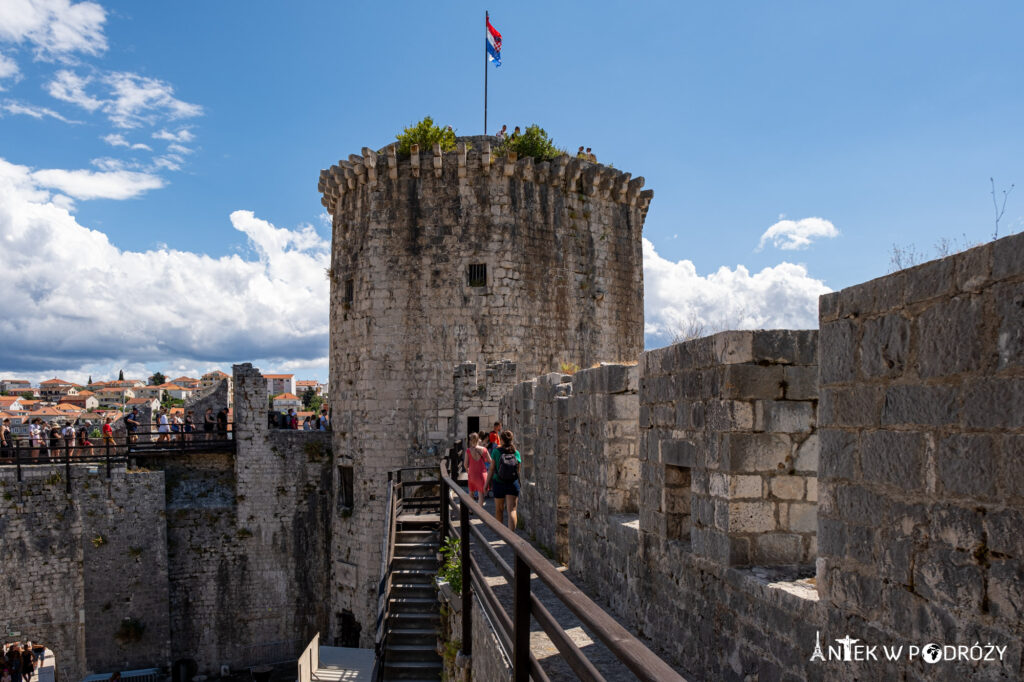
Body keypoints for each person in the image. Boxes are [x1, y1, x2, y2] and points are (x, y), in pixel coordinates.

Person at [485, 430, 521, 531]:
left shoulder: (496, 451)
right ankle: (512, 536)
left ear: (501, 440)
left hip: (499, 483)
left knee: (499, 510)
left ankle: (501, 534)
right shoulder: (516, 452)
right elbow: (518, 470)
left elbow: (491, 469)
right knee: (512, 510)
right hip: (512, 483)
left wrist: (486, 484)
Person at [464, 433, 489, 503]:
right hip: (482, 473)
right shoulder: (484, 449)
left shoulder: (468, 451)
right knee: (481, 494)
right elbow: (490, 460)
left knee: (471, 492)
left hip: (472, 473)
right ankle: (479, 511)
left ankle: (471, 510)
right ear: (478, 440)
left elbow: (465, 465)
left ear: (470, 440)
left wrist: (468, 471)